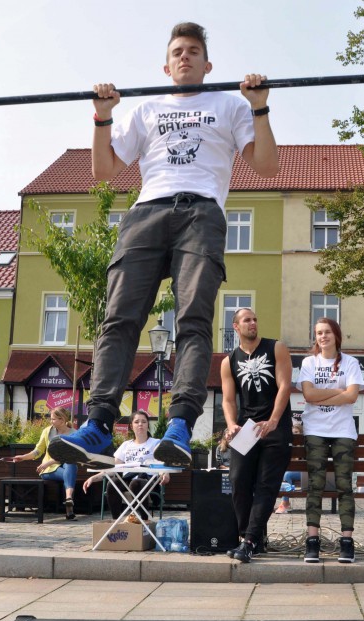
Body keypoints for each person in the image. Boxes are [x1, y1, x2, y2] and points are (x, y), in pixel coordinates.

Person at [48, 22, 280, 471]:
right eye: (178, 51)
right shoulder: (147, 108)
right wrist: (101, 116)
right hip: (146, 213)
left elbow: (266, 167)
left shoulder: (229, 105)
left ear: (207, 64)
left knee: (193, 319)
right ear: (166, 63)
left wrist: (260, 108)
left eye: (194, 51)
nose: (185, 57)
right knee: (119, 318)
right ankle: (97, 423)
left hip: (201, 213)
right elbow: (103, 169)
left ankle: (178, 426)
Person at [220, 307, 293, 563]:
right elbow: (229, 399)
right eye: (247, 320)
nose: (253, 323)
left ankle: (250, 541)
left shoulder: (276, 348)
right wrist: (231, 424)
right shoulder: (229, 361)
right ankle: (249, 537)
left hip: (275, 427)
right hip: (247, 428)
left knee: (266, 486)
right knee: (238, 479)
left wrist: (274, 420)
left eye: (255, 318)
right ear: (236, 327)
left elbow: (285, 385)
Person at [299, 318, 364, 563]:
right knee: (315, 485)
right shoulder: (309, 362)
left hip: (343, 431)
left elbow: (352, 397)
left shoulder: (351, 363)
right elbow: (308, 394)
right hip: (315, 429)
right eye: (318, 333)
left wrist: (320, 398)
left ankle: (346, 542)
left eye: (327, 332)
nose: (322, 337)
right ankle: (312, 541)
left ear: (336, 335)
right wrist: (339, 392)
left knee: (344, 486)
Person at [83, 411, 170, 521]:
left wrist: (165, 474)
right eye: (136, 422)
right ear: (131, 426)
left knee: (136, 483)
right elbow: (113, 468)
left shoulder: (156, 443)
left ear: (148, 425)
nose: (140, 424)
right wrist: (94, 477)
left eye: (143, 422)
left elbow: (162, 463)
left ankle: (143, 520)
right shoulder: (126, 445)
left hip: (147, 480)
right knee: (113, 482)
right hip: (128, 479)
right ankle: (117, 522)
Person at [12, 408, 79, 521]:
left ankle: (68, 499)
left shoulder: (74, 434)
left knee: (70, 465)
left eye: (53, 419)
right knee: (70, 471)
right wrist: (23, 457)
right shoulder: (47, 431)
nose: (50, 421)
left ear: (62, 420)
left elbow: (69, 456)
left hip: (57, 465)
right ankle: (69, 503)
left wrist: (48, 462)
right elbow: (37, 451)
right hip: (48, 470)